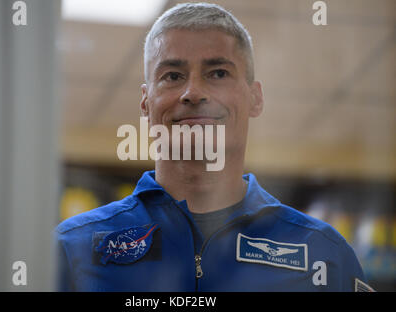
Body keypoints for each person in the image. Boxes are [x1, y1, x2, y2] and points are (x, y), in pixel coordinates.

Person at [56, 2, 372, 292]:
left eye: (218, 73)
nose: (194, 92)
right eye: (172, 75)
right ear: (145, 101)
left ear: (255, 97)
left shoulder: (325, 254)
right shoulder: (72, 249)